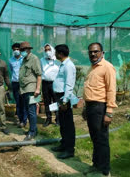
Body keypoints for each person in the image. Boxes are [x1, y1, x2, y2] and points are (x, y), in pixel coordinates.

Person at [83, 42, 117, 176]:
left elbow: (111, 90)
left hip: (100, 107)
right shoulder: (92, 68)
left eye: (96, 51)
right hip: (91, 107)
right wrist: (86, 107)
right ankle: (96, 164)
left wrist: (109, 112)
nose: (92, 54)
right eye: (90, 52)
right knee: (94, 138)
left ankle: (105, 170)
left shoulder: (107, 67)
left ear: (102, 53)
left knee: (102, 139)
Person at [51, 44, 76, 159]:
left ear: (60, 54)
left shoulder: (68, 66)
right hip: (60, 97)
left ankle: (69, 149)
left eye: (56, 52)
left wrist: (65, 101)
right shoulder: (63, 64)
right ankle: (63, 144)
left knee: (68, 124)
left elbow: (69, 84)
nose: (54, 54)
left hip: (64, 98)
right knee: (62, 122)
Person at [19, 41, 42, 141]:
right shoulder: (24, 59)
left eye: (23, 50)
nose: (22, 52)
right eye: (21, 50)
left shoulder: (34, 59)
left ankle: (32, 132)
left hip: (31, 89)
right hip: (24, 89)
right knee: (28, 111)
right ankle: (33, 129)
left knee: (32, 111)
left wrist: (37, 89)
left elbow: (39, 75)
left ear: (28, 50)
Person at [40, 43, 60, 127]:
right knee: (47, 101)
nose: (47, 51)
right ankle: (48, 118)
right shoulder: (42, 60)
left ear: (52, 50)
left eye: (49, 49)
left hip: (55, 83)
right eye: (46, 50)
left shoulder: (57, 60)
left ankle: (58, 119)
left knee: (55, 101)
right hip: (45, 83)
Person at [8, 43, 26, 127]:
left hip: (23, 83)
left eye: (17, 49)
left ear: (20, 50)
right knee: (18, 102)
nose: (16, 51)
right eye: (14, 49)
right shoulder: (11, 60)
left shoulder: (24, 59)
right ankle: (20, 119)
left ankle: (24, 120)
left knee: (24, 101)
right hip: (15, 82)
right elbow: (12, 70)